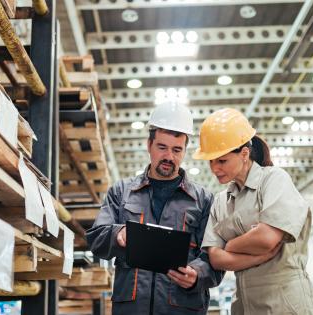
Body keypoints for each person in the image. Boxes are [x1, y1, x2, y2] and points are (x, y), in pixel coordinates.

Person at [86, 102, 224, 315]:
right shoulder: (122, 192)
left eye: (177, 150)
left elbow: (215, 258)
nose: (169, 156)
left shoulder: (204, 200)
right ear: (149, 145)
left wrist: (197, 274)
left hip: (182, 308)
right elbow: (96, 238)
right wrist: (117, 233)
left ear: (185, 151)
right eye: (162, 147)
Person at [193, 108, 313, 315]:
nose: (214, 169)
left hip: (285, 303)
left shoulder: (274, 180)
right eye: (211, 161)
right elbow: (216, 259)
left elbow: (266, 238)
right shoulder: (220, 202)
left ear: (244, 154)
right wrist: (258, 258)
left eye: (222, 160)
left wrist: (231, 245)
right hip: (244, 303)